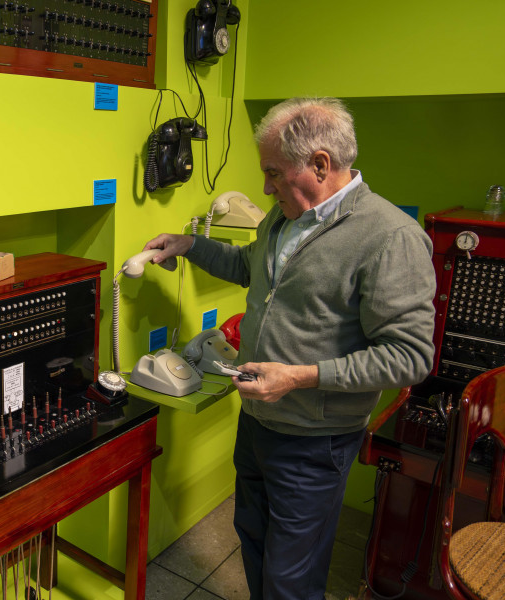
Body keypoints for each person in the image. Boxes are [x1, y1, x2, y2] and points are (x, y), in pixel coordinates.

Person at [144, 97, 436, 599]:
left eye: (273, 172)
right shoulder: (283, 220)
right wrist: (189, 245)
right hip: (257, 424)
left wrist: (299, 376)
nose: (264, 186)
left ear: (320, 164)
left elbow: (410, 356)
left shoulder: (390, 237)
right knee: (254, 544)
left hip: (314, 441)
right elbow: (248, 267)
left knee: (290, 579)